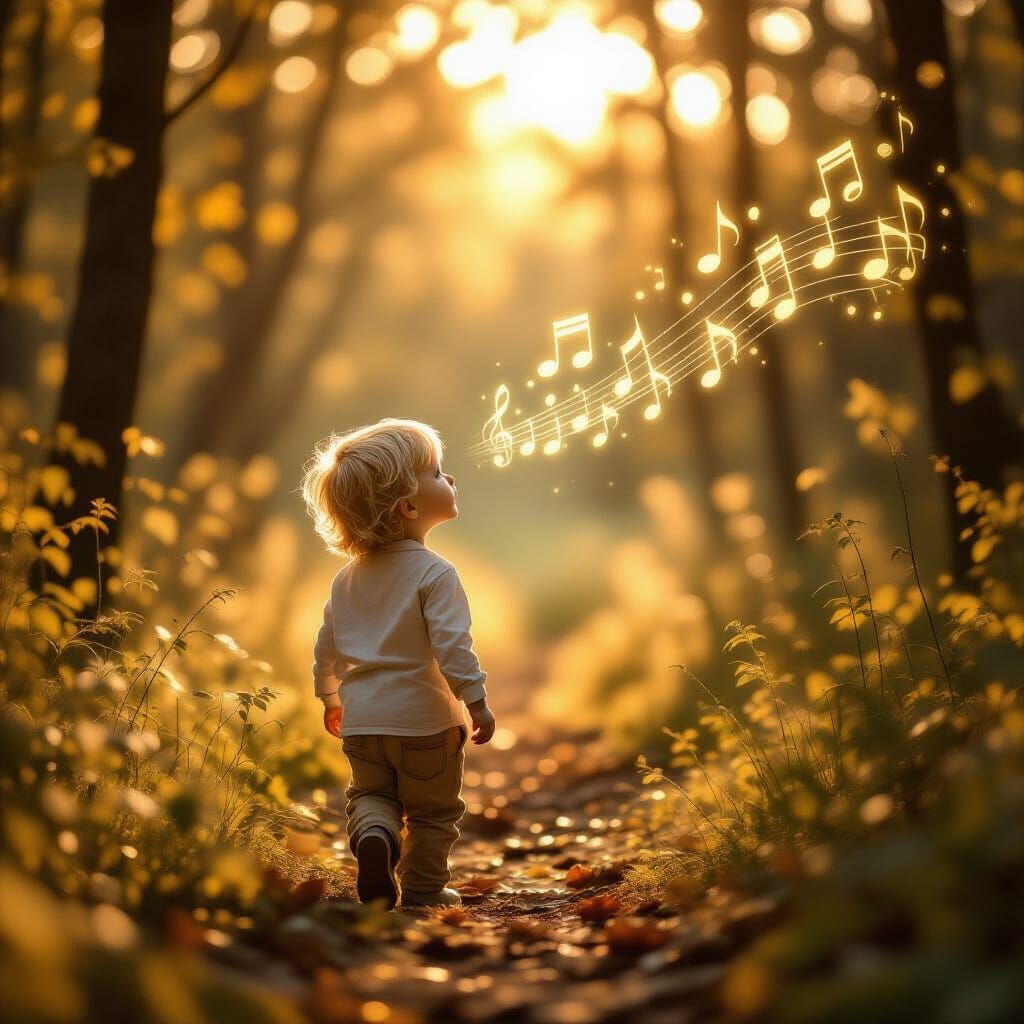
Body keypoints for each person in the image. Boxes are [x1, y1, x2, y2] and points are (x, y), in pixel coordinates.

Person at [300, 418, 495, 910]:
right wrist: (476, 701)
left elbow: (327, 648)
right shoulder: (436, 573)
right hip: (425, 723)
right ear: (408, 506)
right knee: (433, 813)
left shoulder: (346, 579)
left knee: (371, 797)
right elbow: (453, 646)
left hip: (363, 722)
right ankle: (424, 890)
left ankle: (375, 836)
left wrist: (329, 698)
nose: (449, 479)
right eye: (437, 473)